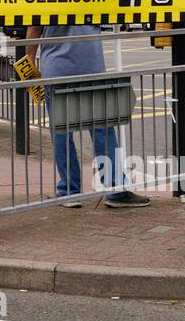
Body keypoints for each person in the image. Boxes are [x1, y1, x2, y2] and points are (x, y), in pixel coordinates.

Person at [27, 23, 150, 208]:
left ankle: (69, 191)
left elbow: (35, 26)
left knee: (62, 132)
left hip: (57, 68)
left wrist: (29, 59)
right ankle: (115, 189)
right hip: (91, 66)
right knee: (103, 130)